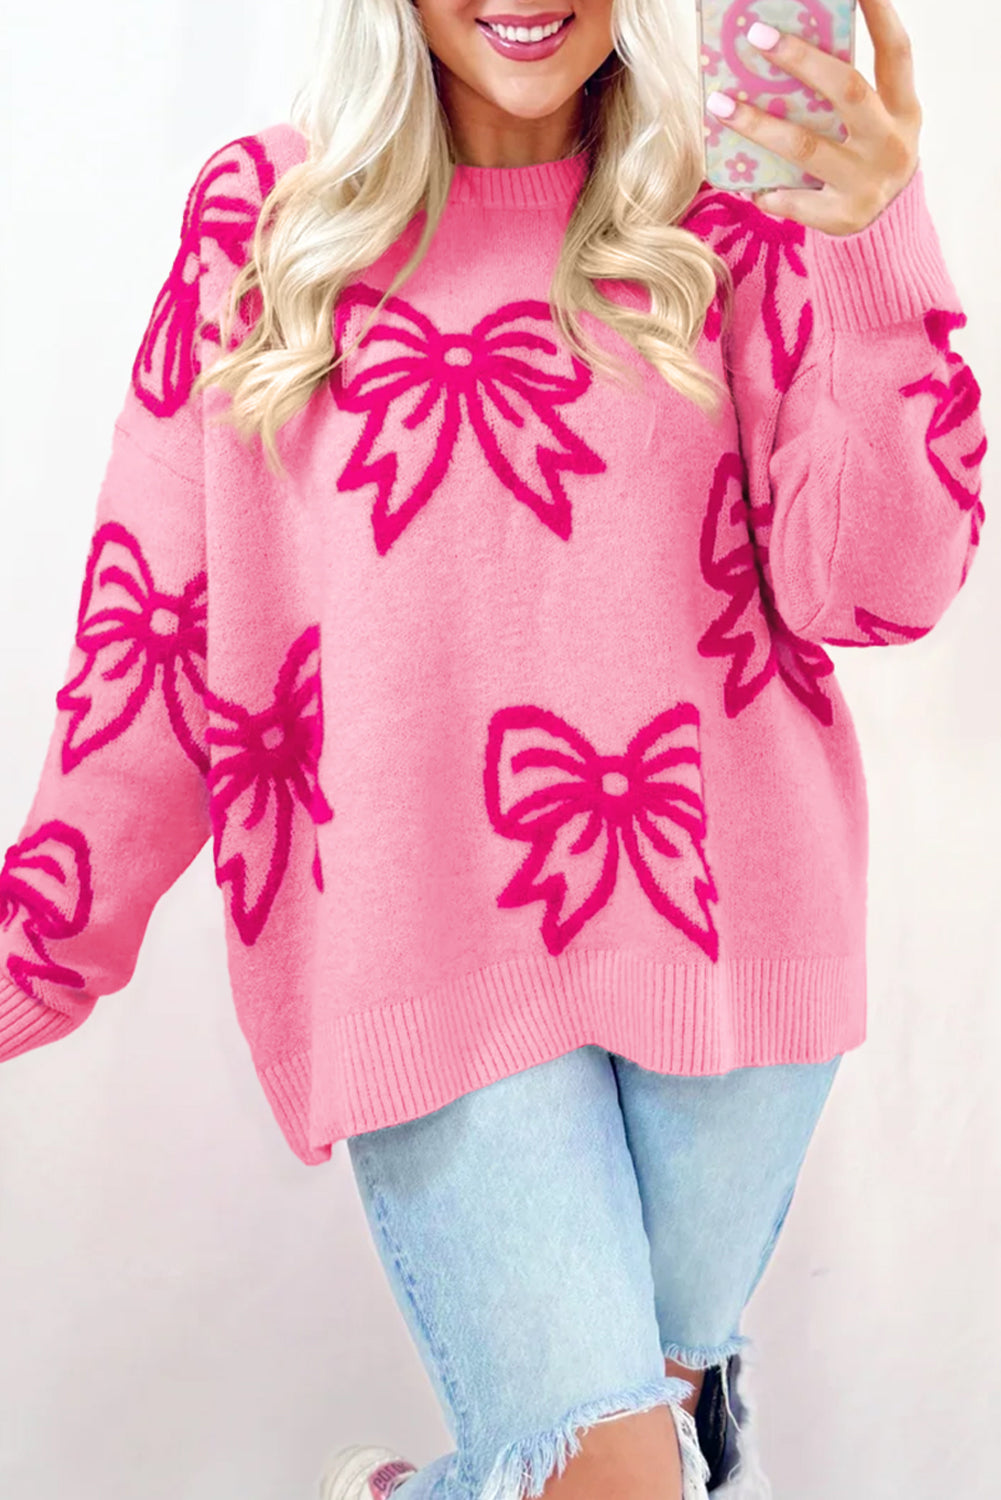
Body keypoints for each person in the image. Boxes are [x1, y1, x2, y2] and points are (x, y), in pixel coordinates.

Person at [0, 2, 986, 1498]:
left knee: (657, 1453)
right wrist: (35, 957)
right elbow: (155, 643)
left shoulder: (738, 211)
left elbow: (879, 589)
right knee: (621, 1483)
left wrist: (872, 247)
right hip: (425, 950)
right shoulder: (263, 223)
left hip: (739, 953)